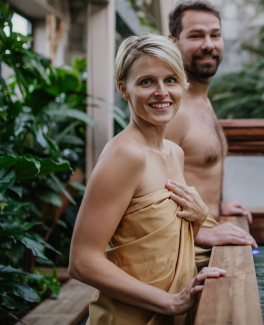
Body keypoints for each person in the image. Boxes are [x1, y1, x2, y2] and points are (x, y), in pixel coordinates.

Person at [69, 34, 225, 325]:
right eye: (146, 82)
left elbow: (155, 238)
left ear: (183, 85)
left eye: (170, 80)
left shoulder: (174, 153)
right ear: (124, 90)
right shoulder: (125, 156)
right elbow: (82, 261)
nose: (161, 92)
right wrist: (171, 301)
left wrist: (199, 222)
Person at [165, 1, 257, 270]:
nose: (208, 44)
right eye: (196, 36)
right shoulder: (174, 108)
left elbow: (188, 169)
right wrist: (200, 232)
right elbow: (148, 188)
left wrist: (216, 204)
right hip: (182, 255)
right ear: (173, 42)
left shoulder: (200, 99)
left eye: (215, 35)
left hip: (200, 244)